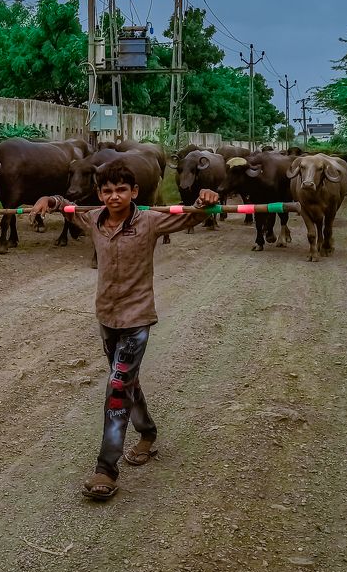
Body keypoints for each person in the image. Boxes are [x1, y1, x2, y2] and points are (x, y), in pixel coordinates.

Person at [30, 161, 219, 501]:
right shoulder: (93, 220)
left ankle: (106, 469)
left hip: (136, 320)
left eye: (121, 190)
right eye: (106, 191)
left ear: (134, 192)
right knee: (126, 381)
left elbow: (193, 216)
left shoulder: (150, 221)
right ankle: (147, 433)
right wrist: (49, 199)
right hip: (106, 317)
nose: (113, 196)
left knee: (117, 387)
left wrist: (206, 201)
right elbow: (66, 208)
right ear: (99, 194)